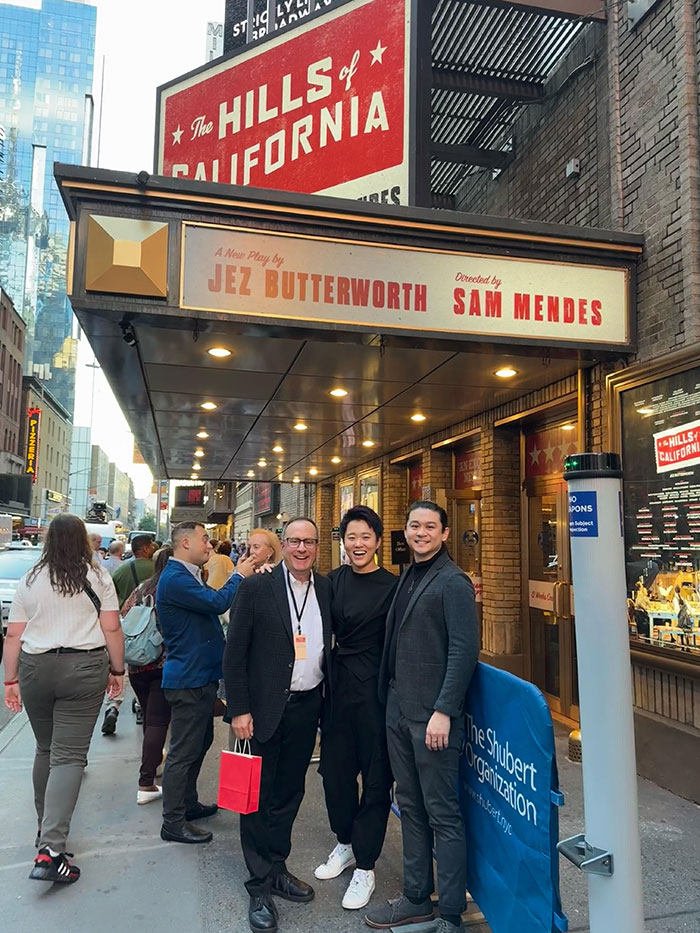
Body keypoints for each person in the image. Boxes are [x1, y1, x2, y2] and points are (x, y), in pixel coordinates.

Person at [365, 501, 479, 933]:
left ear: (445, 533)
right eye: (415, 525)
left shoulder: (453, 582)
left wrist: (444, 711)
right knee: (409, 805)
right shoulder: (409, 575)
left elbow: (463, 651)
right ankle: (417, 897)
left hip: (432, 720)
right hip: (398, 709)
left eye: (431, 526)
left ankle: (450, 914)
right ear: (406, 531)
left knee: (441, 813)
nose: (422, 532)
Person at [224, 517, 333, 933]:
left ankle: (277, 867)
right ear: (282, 546)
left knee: (289, 792)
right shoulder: (256, 587)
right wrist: (238, 710)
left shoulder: (327, 588)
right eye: (294, 542)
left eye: (309, 542)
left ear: (318, 547)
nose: (301, 548)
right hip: (263, 710)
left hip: (308, 708)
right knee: (256, 797)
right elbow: (235, 655)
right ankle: (258, 885)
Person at [2, 513, 124, 885]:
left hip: (36, 668)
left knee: (45, 750)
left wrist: (10, 679)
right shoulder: (98, 576)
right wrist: (118, 671)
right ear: (84, 542)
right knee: (69, 756)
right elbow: (112, 627)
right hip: (84, 668)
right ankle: (52, 849)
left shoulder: (31, 579)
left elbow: (13, 635)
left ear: (48, 542)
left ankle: (45, 834)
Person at [156, 521, 258, 845]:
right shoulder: (175, 579)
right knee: (183, 751)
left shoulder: (186, 575)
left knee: (199, 743)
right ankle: (173, 822)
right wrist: (239, 575)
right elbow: (216, 603)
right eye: (204, 539)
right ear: (185, 543)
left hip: (199, 676)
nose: (209, 545)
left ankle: (187, 803)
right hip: (187, 678)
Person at [315, 505, 396, 910]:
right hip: (338, 688)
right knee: (335, 776)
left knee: (377, 780)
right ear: (343, 542)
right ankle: (344, 843)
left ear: (378, 541)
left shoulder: (393, 586)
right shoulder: (331, 582)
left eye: (366, 537)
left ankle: (366, 864)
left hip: (377, 695)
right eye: (352, 537)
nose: (358, 544)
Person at [120, 546, 174, 805]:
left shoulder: (142, 588)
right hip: (162, 665)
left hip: (137, 665)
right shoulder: (175, 589)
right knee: (158, 722)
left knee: (149, 720)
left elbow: (124, 617)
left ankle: (153, 761)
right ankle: (146, 782)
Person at [101, 535, 155, 736]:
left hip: (126, 625)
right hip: (151, 630)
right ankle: (142, 706)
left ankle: (113, 705)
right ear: (147, 548)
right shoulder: (154, 570)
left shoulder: (122, 570)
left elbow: (113, 600)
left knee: (120, 666)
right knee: (144, 667)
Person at [112, 535, 156, 607]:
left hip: (126, 612)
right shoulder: (155, 568)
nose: (153, 548)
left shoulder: (121, 570)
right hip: (146, 611)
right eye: (151, 545)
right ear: (146, 549)